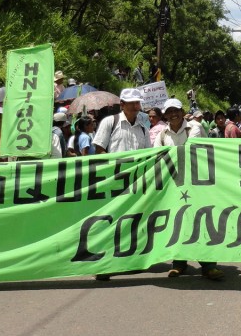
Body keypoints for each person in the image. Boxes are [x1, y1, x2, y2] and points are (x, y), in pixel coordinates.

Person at [153, 98, 225, 280]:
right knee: (176, 222)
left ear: (182, 111)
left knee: (202, 221)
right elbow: (156, 156)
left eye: (175, 110)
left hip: (197, 184)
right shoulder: (162, 134)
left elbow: (195, 150)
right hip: (174, 185)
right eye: (169, 112)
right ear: (165, 114)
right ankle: (179, 263)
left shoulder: (195, 128)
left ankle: (208, 264)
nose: (173, 114)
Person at [91, 88, 149, 281]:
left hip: (135, 182)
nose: (135, 106)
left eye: (137, 103)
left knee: (131, 221)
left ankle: (127, 261)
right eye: (131, 103)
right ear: (122, 105)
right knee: (110, 221)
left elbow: (147, 155)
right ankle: (104, 264)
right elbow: (100, 149)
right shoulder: (110, 122)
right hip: (113, 181)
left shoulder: (142, 127)